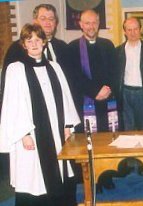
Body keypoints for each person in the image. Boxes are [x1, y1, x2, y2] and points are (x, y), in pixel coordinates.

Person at [0, 23, 80, 206]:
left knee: (59, 172)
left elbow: (66, 97)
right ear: (24, 44)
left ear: (44, 42)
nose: (34, 44)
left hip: (56, 133)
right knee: (34, 178)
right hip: (31, 135)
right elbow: (13, 104)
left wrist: (68, 125)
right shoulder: (16, 69)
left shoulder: (54, 67)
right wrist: (23, 134)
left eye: (38, 39)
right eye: (30, 40)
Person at [67, 9, 117, 190]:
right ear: (80, 24)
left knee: (107, 141)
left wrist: (108, 89)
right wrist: (94, 92)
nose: (91, 26)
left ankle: (106, 176)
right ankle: (90, 179)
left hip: (107, 102)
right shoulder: (72, 47)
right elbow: (73, 76)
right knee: (88, 142)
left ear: (99, 23)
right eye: (87, 23)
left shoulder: (108, 45)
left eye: (94, 22)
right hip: (85, 103)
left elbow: (114, 71)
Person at [116, 17, 143, 131]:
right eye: (129, 30)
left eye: (135, 29)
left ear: (140, 30)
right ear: (124, 32)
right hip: (125, 93)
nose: (132, 33)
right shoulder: (118, 51)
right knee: (127, 130)